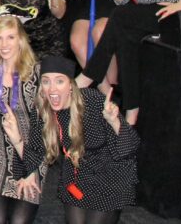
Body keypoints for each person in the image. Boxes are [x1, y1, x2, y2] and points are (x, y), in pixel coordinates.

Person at [14, 56, 140, 224]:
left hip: (109, 175)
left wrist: (114, 121)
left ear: (71, 86)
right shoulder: (43, 108)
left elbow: (131, 146)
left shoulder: (93, 101)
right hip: (76, 174)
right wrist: (28, 172)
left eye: (59, 81)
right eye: (46, 81)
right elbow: (37, 146)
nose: (52, 88)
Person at [0, 8, 43, 224]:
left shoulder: (37, 73)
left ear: (21, 39)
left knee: (19, 222)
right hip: (0, 151)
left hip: (32, 149)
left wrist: (32, 168)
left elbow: (45, 127)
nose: (4, 44)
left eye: (10, 37)